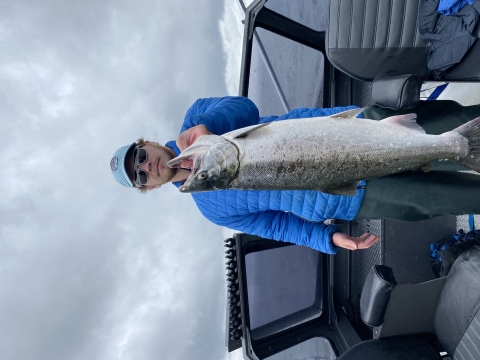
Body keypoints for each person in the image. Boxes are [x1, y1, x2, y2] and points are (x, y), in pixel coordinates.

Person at [110, 96, 480, 254]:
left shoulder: (197, 119)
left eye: (139, 156)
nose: (147, 166)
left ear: (148, 144)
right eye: (140, 176)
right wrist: (329, 238)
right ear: (149, 188)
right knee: (452, 197)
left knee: (449, 124)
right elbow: (277, 226)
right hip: (349, 195)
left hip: (355, 132)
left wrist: (209, 127)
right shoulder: (211, 209)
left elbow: (244, 108)